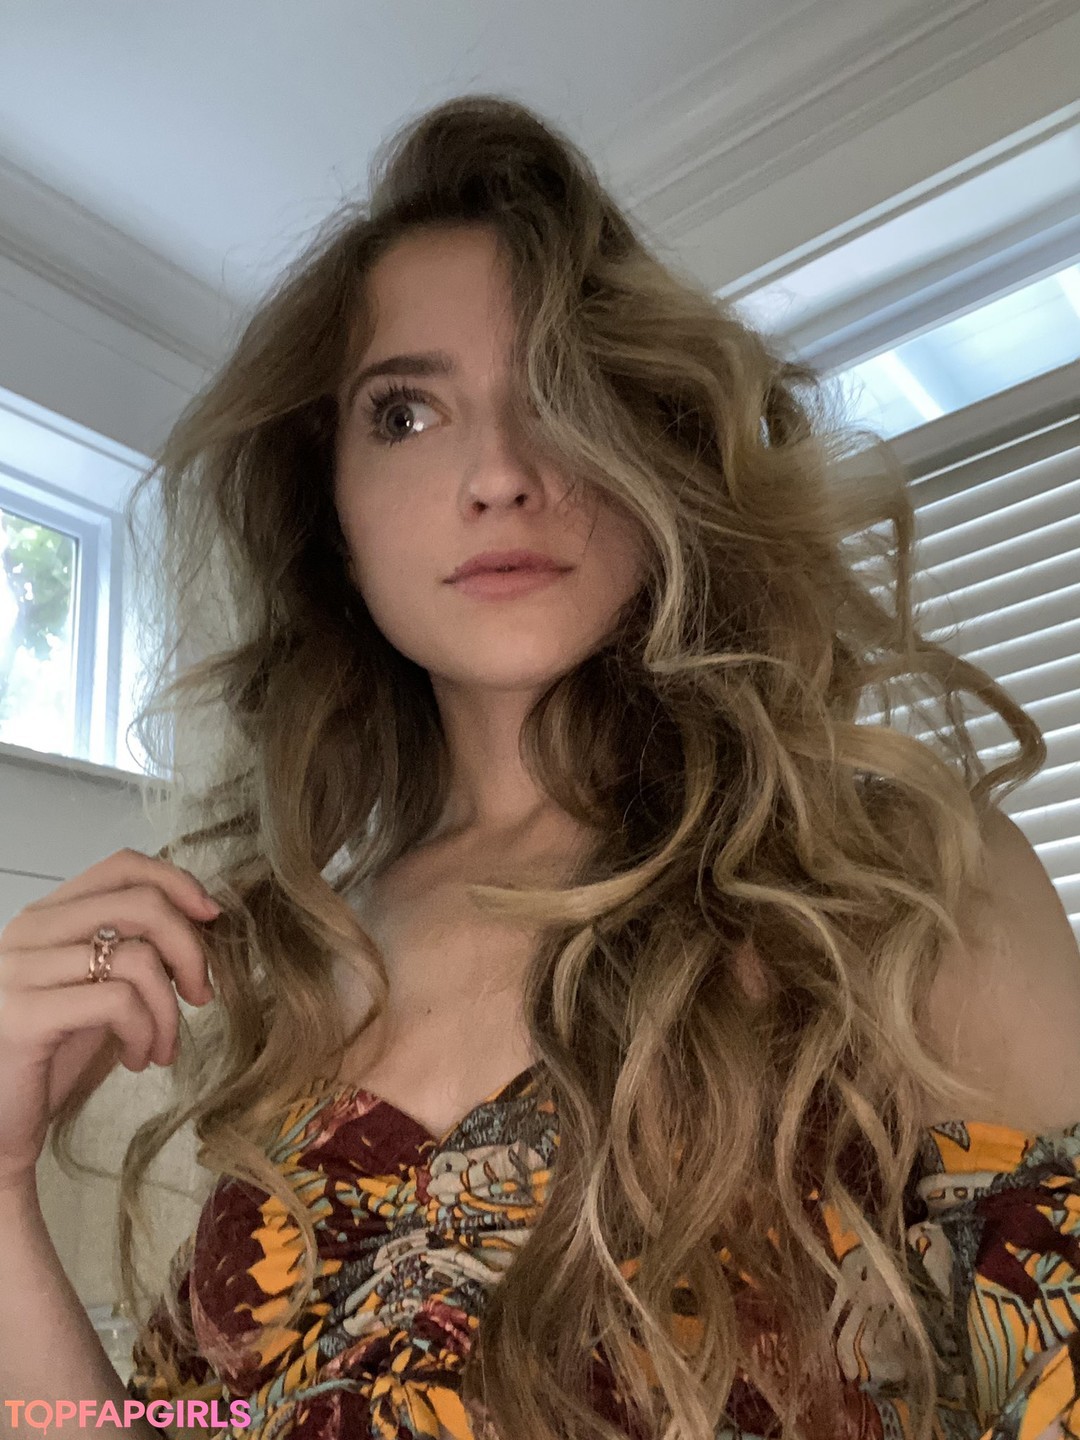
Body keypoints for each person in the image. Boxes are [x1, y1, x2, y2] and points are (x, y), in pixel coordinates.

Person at [1, 93, 1079, 1440]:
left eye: (564, 393)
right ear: (332, 516)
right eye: (405, 414)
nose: (500, 474)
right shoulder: (291, 960)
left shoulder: (898, 883)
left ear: (658, 448)